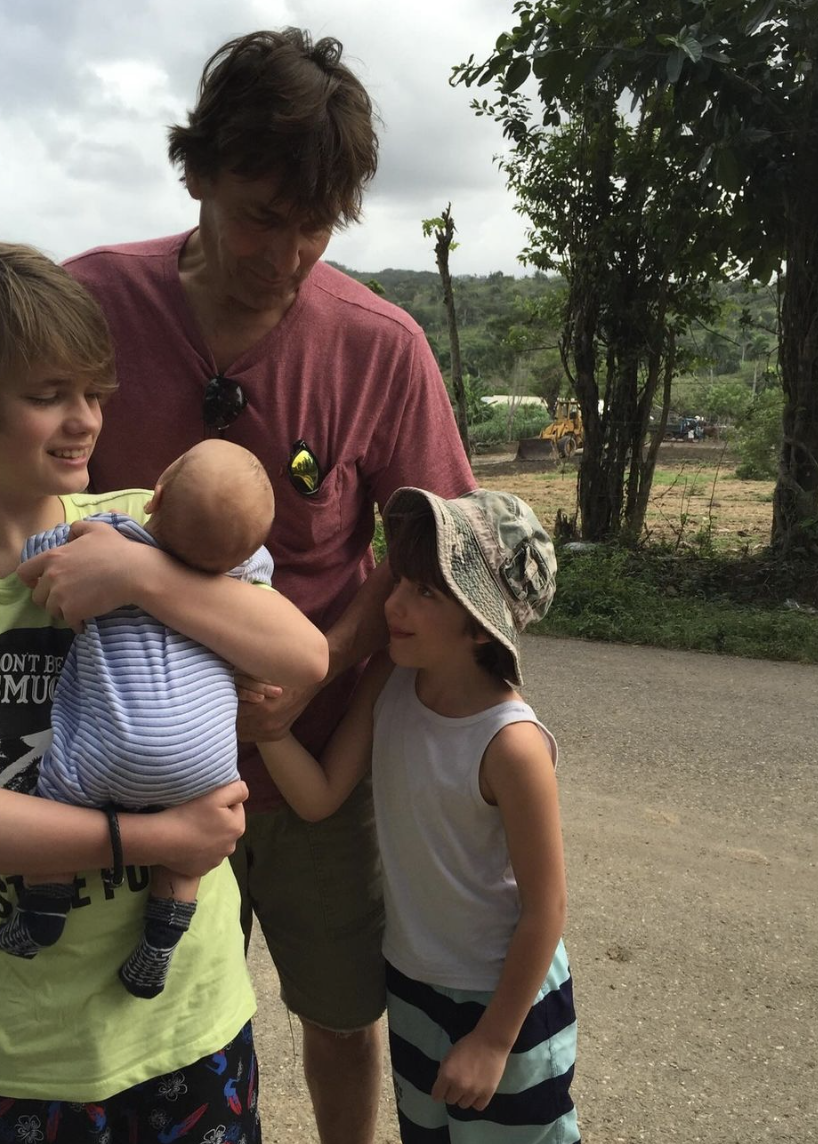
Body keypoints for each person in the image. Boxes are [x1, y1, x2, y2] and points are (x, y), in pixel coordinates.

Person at [65, 27, 476, 1144]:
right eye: (260, 215)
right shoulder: (91, 306)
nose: (288, 254)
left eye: (316, 226)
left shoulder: (378, 348)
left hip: (311, 770)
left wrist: (328, 662)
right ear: (194, 170)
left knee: (341, 1019)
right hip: (126, 756)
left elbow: (427, 538)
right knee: (135, 1024)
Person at [0, 242, 328, 1141]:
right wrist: (157, 839)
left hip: (189, 1029)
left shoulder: (146, 520)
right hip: (23, 1055)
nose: (85, 421)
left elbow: (302, 654)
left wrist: (143, 581)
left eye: (95, 394)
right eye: (47, 396)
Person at [259, 487, 580, 1143]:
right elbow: (320, 796)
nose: (392, 605)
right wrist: (266, 728)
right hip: (410, 986)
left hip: (503, 1001)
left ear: (482, 619)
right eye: (397, 581)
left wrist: (493, 1040)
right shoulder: (391, 681)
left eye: (426, 592)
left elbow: (546, 909)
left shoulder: (512, 746)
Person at [0, 438, 276, 1002]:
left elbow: (37, 568)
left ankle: (42, 907)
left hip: (110, 754)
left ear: (158, 494)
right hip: (205, 767)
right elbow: (290, 650)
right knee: (187, 853)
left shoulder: (112, 533)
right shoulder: (244, 572)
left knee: (55, 794)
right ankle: (159, 944)